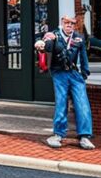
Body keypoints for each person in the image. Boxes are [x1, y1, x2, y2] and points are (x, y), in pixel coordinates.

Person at [35, 14, 95, 150]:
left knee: (82, 103)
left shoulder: (78, 38)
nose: (69, 26)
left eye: (72, 24)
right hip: (59, 73)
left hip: (74, 74)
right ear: (62, 23)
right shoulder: (54, 35)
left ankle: (85, 136)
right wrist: (41, 45)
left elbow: (83, 56)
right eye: (67, 23)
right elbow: (47, 45)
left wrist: (85, 73)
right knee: (61, 103)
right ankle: (58, 134)